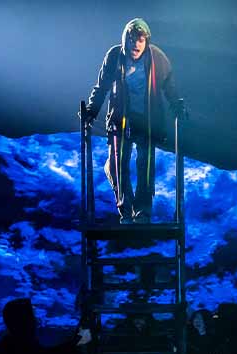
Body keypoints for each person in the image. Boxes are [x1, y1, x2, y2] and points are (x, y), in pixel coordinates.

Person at [81, 18, 188, 224]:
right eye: (132, 39)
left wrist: (177, 105)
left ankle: (143, 213)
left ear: (146, 42)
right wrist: (92, 111)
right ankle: (127, 211)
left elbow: (169, 87)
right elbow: (102, 87)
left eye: (140, 40)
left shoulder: (158, 59)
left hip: (148, 121)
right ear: (125, 40)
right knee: (117, 165)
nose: (135, 44)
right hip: (121, 119)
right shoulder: (114, 56)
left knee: (145, 166)